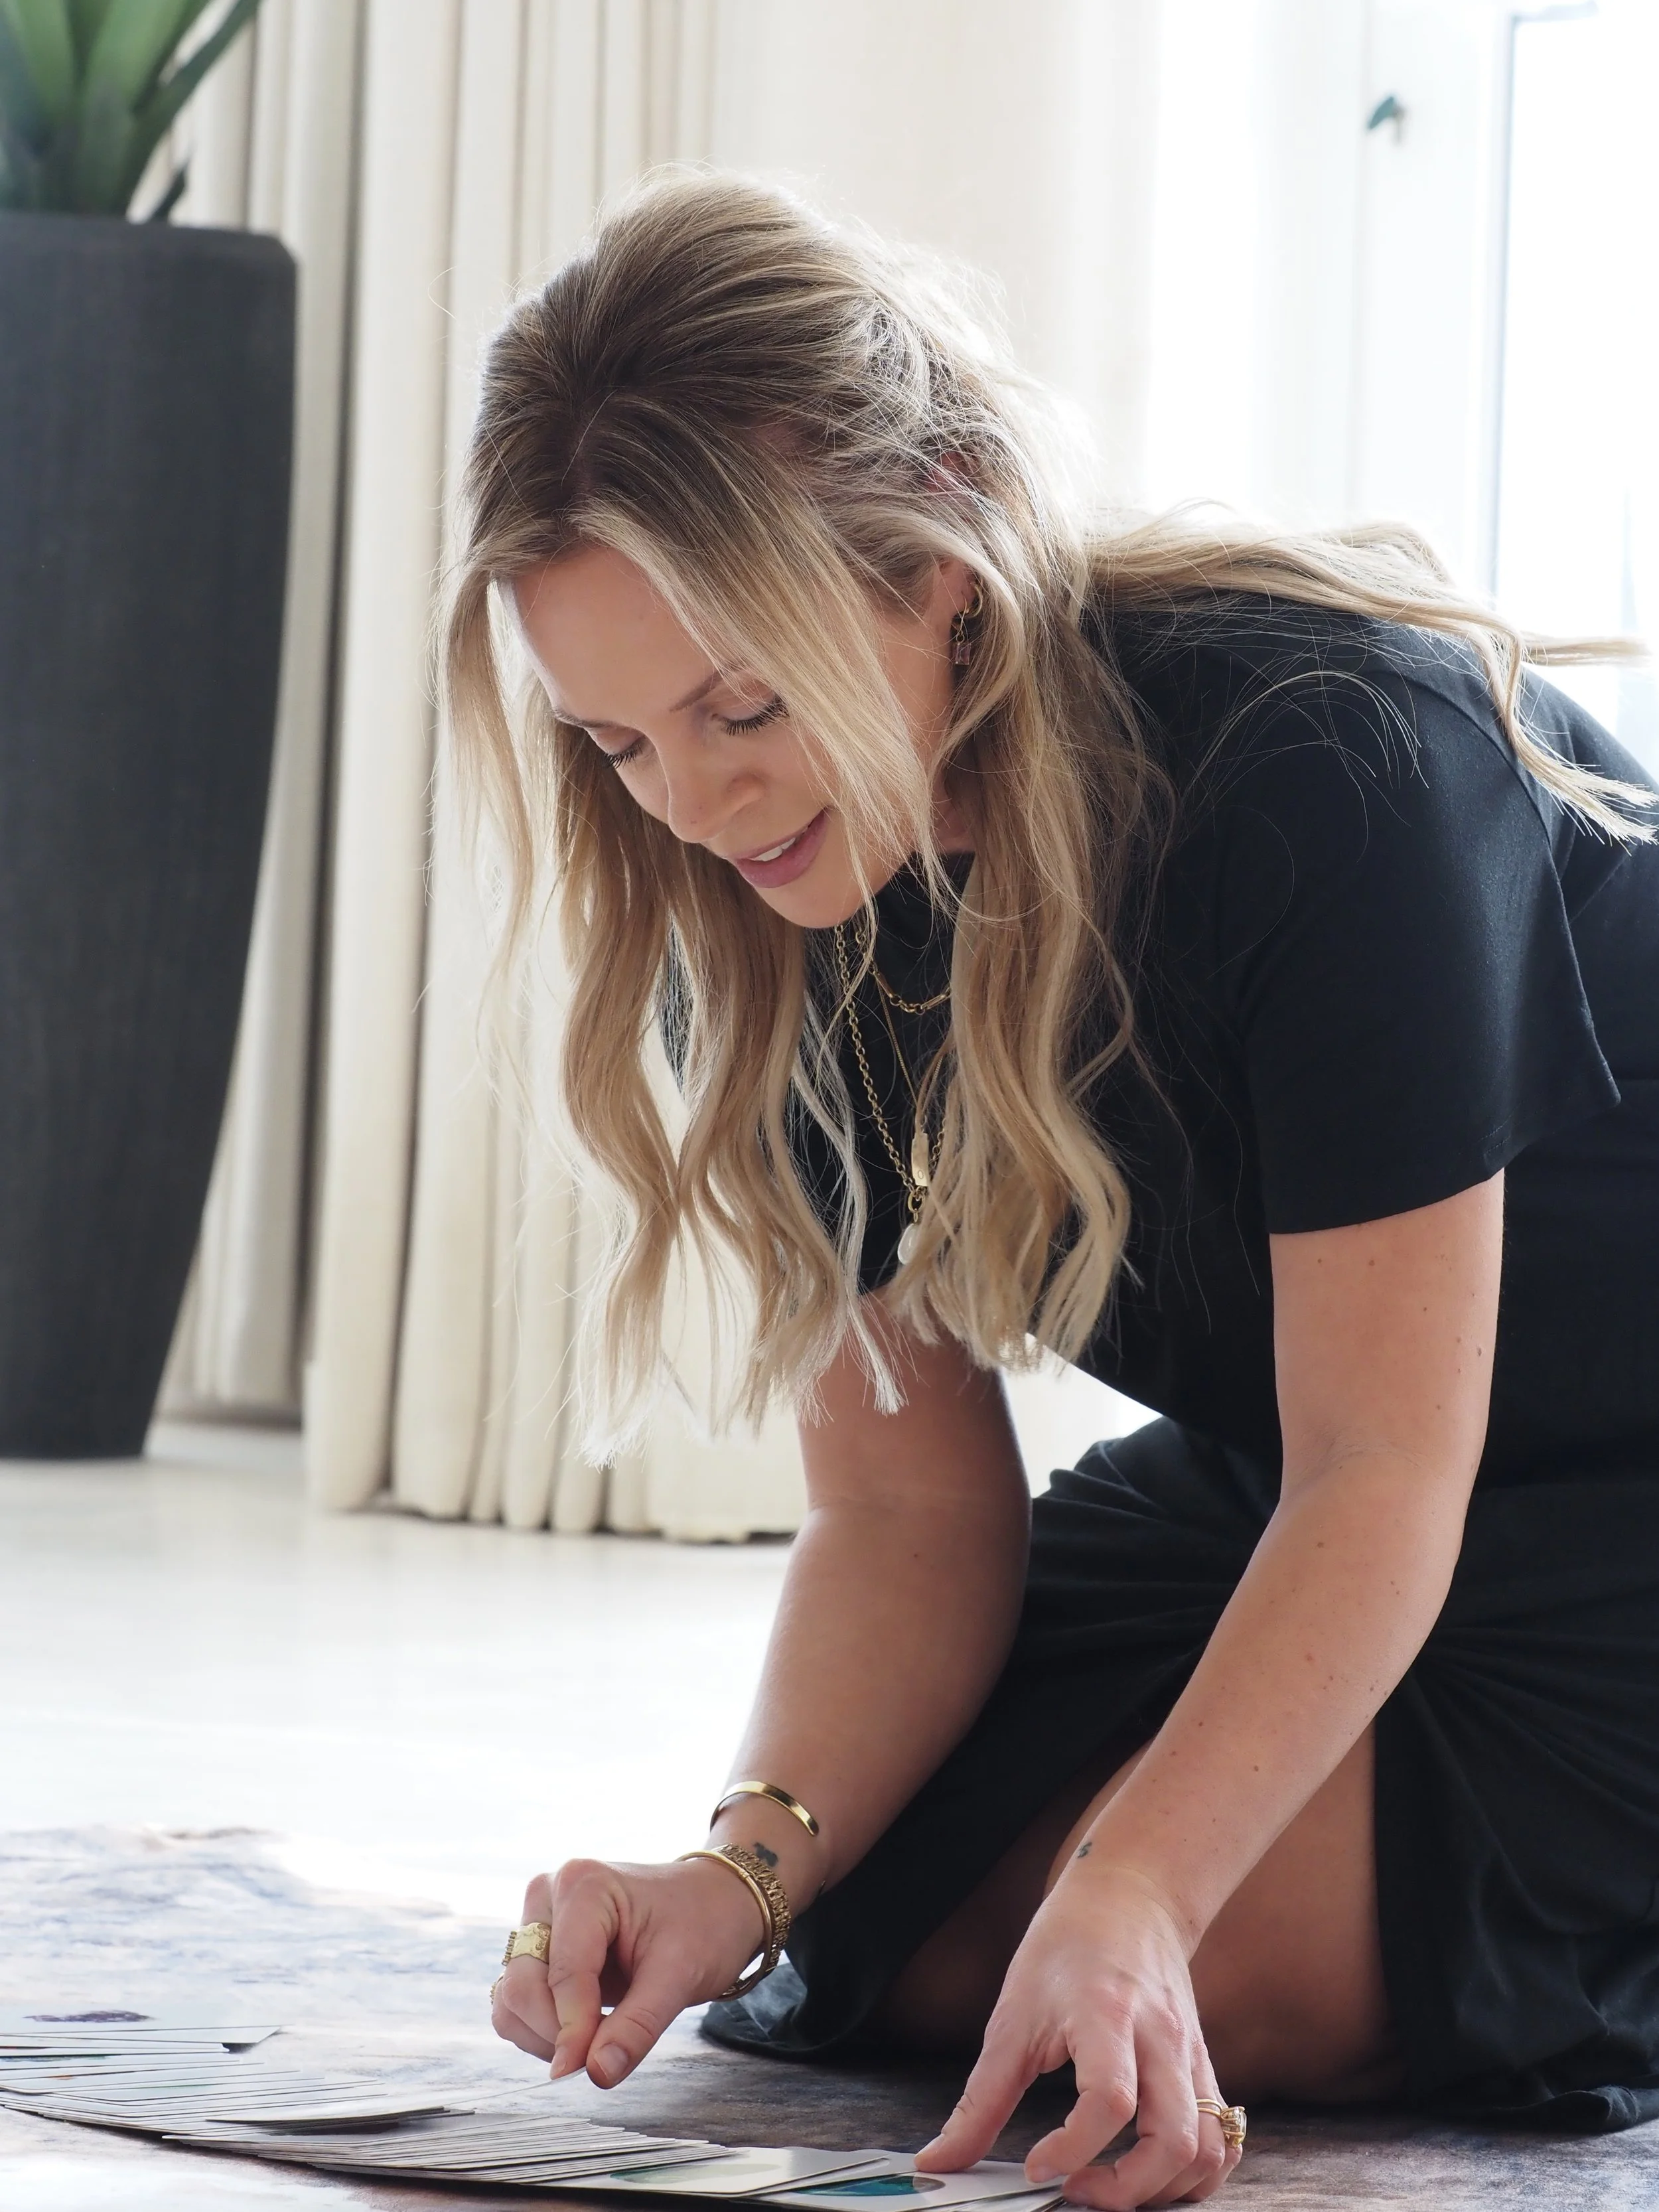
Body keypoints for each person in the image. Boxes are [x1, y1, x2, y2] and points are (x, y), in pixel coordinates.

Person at [447, 172, 1659, 2209]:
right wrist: (731, 1868)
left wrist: (1143, 1890)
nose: (696, 799)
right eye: (615, 742)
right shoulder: (752, 908)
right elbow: (906, 1511)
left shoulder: (1319, 759)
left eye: (744, 704)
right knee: (877, 1954)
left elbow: (1384, 1466)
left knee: (1184, 1955)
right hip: (1297, 1476)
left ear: (946, 555)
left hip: (1547, 1479)